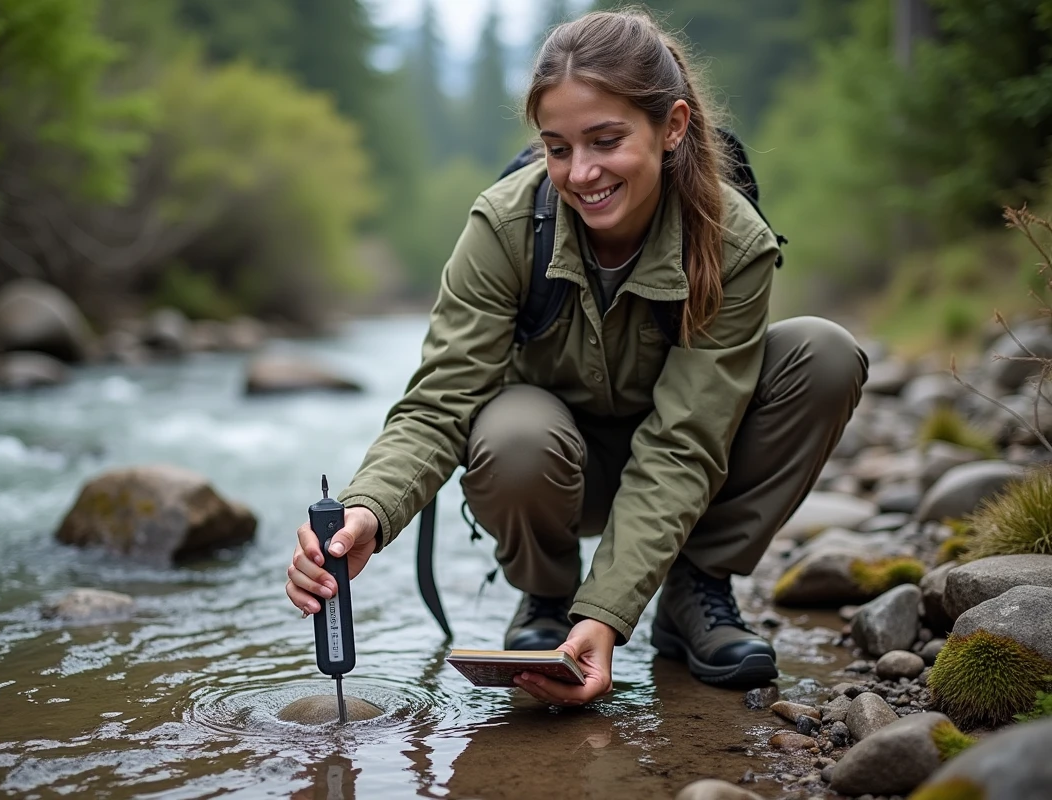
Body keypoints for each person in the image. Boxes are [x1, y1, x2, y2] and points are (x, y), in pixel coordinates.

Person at [285, 9, 867, 707]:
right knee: (513, 427)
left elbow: (685, 444)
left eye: (606, 140)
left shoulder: (732, 238)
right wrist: (367, 512)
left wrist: (608, 618)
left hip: (690, 468)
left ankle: (696, 587)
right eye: (557, 148)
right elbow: (440, 404)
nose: (581, 172)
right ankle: (545, 599)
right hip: (556, 472)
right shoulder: (504, 225)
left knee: (825, 355)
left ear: (672, 127)